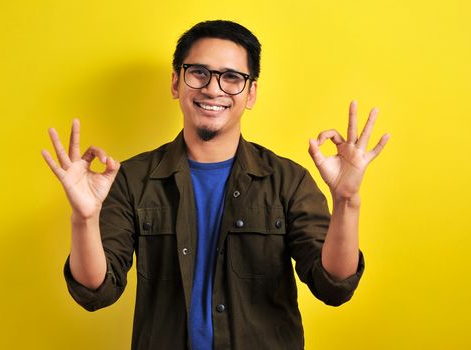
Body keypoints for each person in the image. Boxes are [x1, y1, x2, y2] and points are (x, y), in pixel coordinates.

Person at [42, 20, 389, 350]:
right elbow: (95, 292)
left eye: (232, 77)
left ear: (251, 93)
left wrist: (347, 200)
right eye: (199, 73)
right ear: (176, 83)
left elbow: (334, 286)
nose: (213, 88)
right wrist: (84, 217)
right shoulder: (132, 179)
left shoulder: (288, 180)